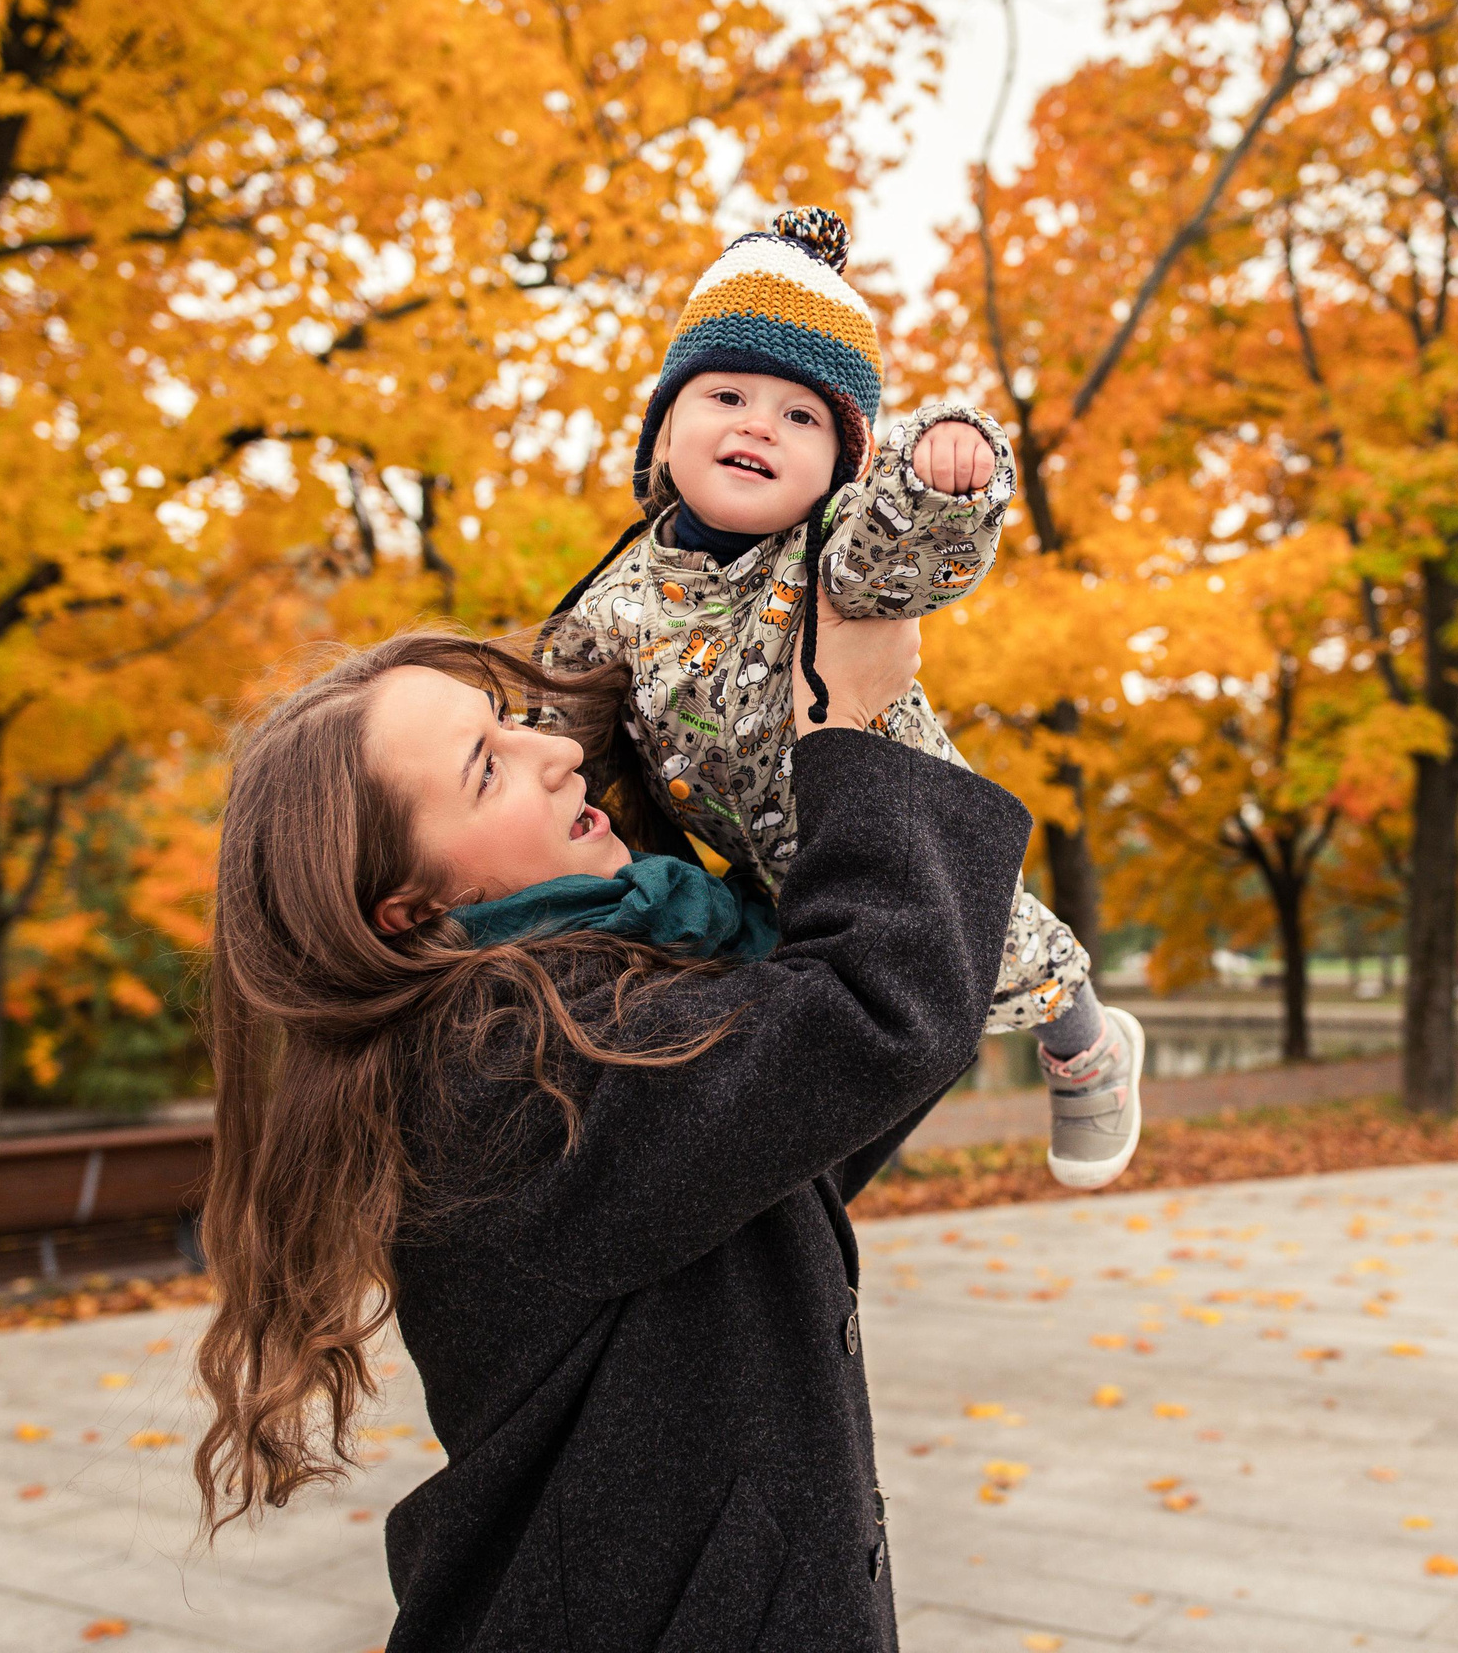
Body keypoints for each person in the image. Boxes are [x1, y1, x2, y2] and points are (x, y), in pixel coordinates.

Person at [193, 600, 1033, 1650]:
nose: (552, 751)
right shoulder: (507, 1070)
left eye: (512, 721)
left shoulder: (543, 1018)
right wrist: (850, 723)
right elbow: (870, 1021)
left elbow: (800, 1134)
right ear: (404, 908)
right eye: (485, 770)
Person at [539, 205, 1143, 1190]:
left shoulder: (828, 558)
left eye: (800, 416)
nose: (756, 426)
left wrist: (938, 483)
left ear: (835, 469)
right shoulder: (615, 595)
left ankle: (1087, 1048)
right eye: (725, 393)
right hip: (757, 860)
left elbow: (899, 556)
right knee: (818, 1012)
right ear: (662, 432)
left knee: (1000, 949)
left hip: (893, 825)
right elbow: (563, 690)